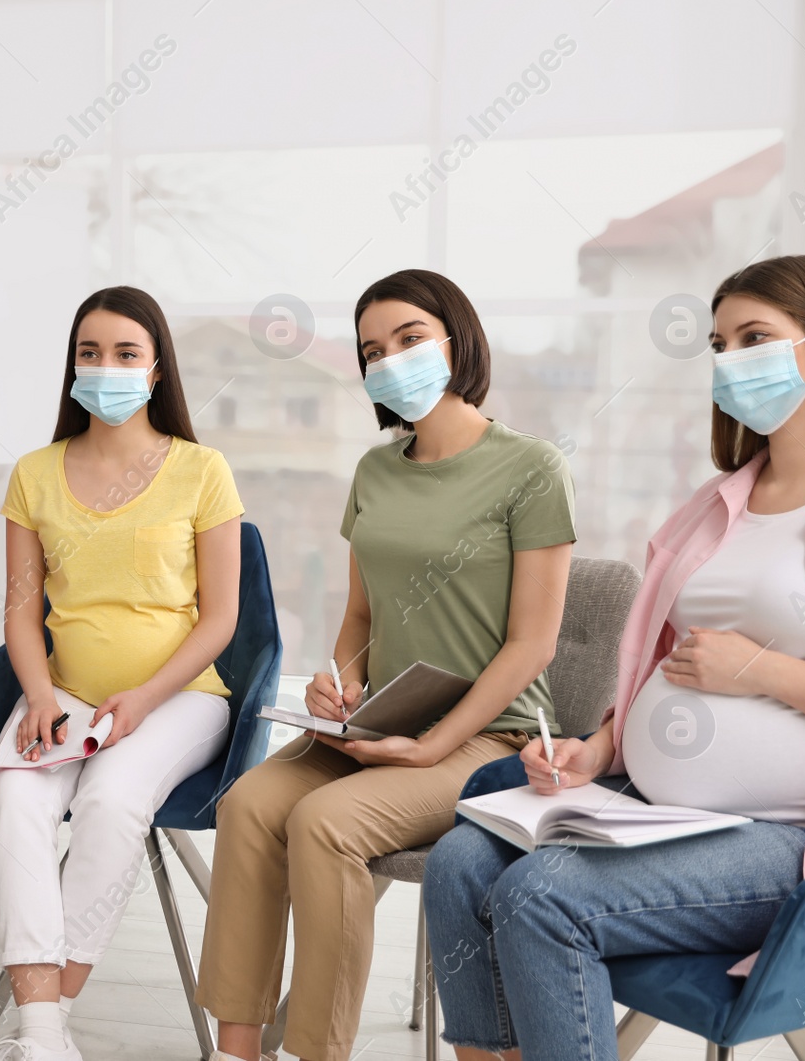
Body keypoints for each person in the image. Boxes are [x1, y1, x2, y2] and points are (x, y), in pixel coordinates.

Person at [422, 254, 805, 1061]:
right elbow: (658, 667)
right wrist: (594, 748)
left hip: (803, 834)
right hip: (655, 805)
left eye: (756, 337)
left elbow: (738, 666)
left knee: (541, 896)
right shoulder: (715, 505)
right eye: (720, 342)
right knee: (459, 860)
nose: (731, 360)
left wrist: (760, 669)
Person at [196, 270, 576, 1061]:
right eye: (374, 349)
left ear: (456, 339)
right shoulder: (375, 471)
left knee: (326, 824)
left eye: (409, 338)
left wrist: (435, 746)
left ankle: (316, 1051)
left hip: (488, 737)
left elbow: (532, 645)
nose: (391, 359)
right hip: (381, 721)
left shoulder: (532, 467)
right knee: (248, 805)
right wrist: (340, 681)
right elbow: (361, 618)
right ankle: (236, 1051)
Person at [0, 286, 243, 1060]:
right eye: (89, 353)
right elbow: (21, 613)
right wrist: (37, 695)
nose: (106, 367)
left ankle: (43, 1019)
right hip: (63, 692)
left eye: (126, 353)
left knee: (110, 800)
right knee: (15, 795)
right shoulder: (34, 473)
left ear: (157, 368)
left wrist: (146, 697)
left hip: (181, 697)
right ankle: (43, 1038)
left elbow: (222, 619)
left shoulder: (202, 470)